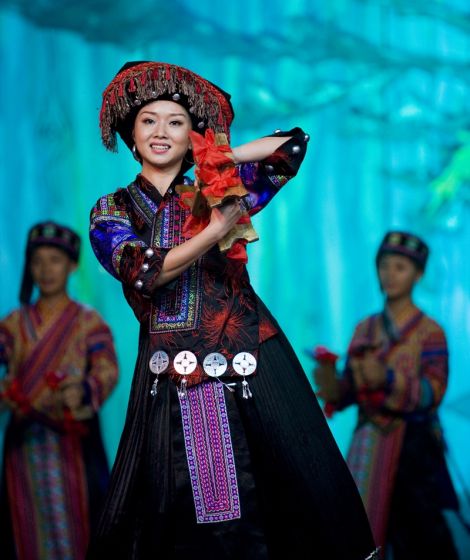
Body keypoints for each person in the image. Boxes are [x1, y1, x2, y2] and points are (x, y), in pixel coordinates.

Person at [88, 60, 378, 560]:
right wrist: (215, 231)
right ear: (131, 135)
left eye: (176, 122)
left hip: (255, 359)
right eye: (149, 121)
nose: (162, 132)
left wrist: (218, 159)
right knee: (211, 511)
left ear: (191, 135)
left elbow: (291, 145)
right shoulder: (111, 209)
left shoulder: (215, 185)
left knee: (304, 490)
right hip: (182, 369)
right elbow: (145, 271)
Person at [314, 231, 459, 559]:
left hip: (414, 449)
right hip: (367, 445)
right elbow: (349, 392)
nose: (389, 275)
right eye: (384, 266)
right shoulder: (364, 329)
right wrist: (333, 382)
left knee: (422, 537)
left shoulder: (430, 332)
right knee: (362, 533)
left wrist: (388, 378)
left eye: (400, 267)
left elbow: (432, 393)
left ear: (418, 274)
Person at [0, 222, 119, 560]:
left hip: (74, 445)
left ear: (72, 265)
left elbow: (107, 368)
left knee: (85, 526)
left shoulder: (89, 323)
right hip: (24, 448)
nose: (46, 269)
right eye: (38, 261)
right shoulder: (12, 325)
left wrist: (83, 389)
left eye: (55, 260)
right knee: (25, 528)